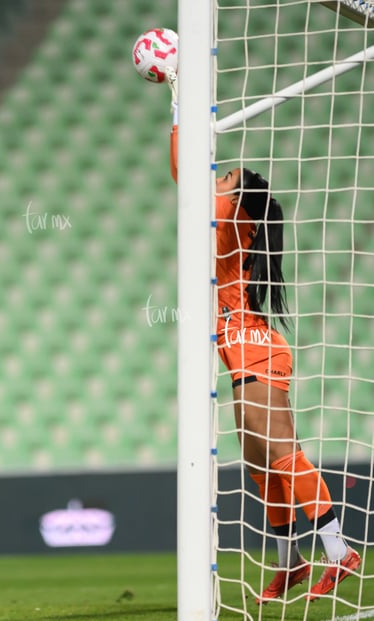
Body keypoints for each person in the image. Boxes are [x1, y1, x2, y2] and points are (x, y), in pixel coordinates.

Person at [165, 66, 361, 603]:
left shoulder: (233, 220)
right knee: (257, 464)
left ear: (240, 199)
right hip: (241, 347)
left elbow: (186, 171)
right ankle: (290, 563)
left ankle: (340, 552)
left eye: (225, 177)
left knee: (280, 452)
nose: (217, 178)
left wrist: (180, 100)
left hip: (253, 344)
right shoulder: (227, 221)